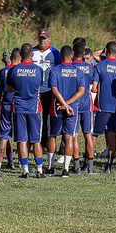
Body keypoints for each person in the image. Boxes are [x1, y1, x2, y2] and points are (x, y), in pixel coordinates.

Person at [7, 44, 46, 178]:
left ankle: (25, 171)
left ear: (21, 55)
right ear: (33, 55)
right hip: (34, 108)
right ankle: (39, 170)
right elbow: (40, 85)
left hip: (18, 107)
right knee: (36, 140)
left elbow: (10, 88)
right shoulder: (39, 70)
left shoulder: (14, 70)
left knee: (22, 140)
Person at [91, 41, 116, 173]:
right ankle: (109, 166)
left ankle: (89, 164)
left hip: (102, 106)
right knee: (112, 134)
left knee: (95, 134)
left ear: (106, 51)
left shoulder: (100, 66)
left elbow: (95, 89)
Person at [48, 45, 85, 177]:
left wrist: (63, 104)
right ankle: (65, 169)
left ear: (60, 56)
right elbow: (81, 91)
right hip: (72, 108)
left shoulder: (54, 71)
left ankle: (51, 167)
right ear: (72, 55)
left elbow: (54, 89)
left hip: (56, 107)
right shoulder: (78, 72)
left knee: (52, 136)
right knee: (69, 137)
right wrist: (68, 105)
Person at [32, 29, 61, 159]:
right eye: (40, 38)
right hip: (35, 91)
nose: (42, 41)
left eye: (45, 38)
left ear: (50, 38)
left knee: (47, 119)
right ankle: (34, 142)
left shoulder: (55, 53)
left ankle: (45, 143)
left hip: (49, 90)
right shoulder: (32, 52)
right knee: (35, 118)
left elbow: (60, 71)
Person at [73, 41, 99, 174]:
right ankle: (91, 166)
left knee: (75, 136)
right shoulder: (90, 68)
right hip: (87, 103)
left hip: (74, 103)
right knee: (88, 134)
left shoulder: (71, 67)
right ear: (84, 54)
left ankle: (76, 166)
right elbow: (94, 88)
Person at [0, 48, 20, 174]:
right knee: (21, 136)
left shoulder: (0, 72)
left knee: (4, 136)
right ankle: (21, 162)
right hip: (18, 105)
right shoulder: (19, 71)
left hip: (5, 104)